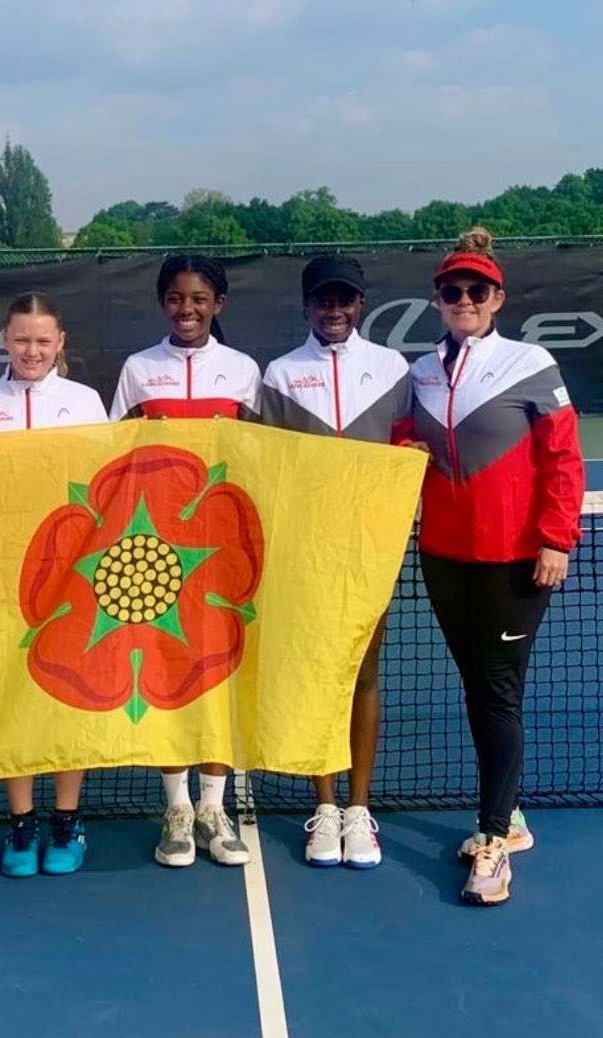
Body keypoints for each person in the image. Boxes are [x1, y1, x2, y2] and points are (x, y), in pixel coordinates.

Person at [411, 227, 584, 905]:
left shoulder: (530, 363)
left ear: (497, 297)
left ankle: (493, 842)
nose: (463, 299)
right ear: (438, 299)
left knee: (498, 690)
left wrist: (556, 539)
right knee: (479, 687)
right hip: (444, 559)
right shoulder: (422, 372)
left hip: (515, 562)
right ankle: (507, 815)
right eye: (452, 290)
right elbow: (398, 456)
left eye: (475, 290)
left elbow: (562, 458)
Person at [110, 254, 261, 869]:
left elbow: (260, 452)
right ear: (162, 304)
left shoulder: (244, 371)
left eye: (199, 299)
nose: (187, 309)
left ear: (218, 305)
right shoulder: (139, 369)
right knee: (168, 672)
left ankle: (213, 806)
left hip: (224, 548)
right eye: (175, 298)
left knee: (221, 669)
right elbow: (112, 451)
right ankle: (175, 809)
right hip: (155, 551)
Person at [261, 255, 412, 870]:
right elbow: (269, 463)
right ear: (306, 307)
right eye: (323, 301)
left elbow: (407, 450)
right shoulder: (280, 374)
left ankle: (357, 809)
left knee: (364, 672)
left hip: (371, 547)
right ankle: (324, 809)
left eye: (345, 300)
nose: (334, 311)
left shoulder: (393, 369)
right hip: (306, 550)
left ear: (360, 305)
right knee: (318, 676)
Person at [0, 292, 109, 877]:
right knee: (13, 698)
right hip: (3, 575)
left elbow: (105, 489)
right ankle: (21, 825)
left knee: (68, 698)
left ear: (60, 343)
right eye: (22, 339)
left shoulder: (86, 402)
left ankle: (66, 822)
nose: (32, 350)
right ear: (4, 338)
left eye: (43, 341)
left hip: (75, 580)